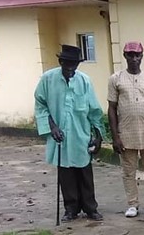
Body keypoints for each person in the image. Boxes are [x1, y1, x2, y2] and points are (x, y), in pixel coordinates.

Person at [34, 44, 105, 222]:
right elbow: (40, 105)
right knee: (65, 173)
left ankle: (90, 208)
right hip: (60, 136)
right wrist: (52, 126)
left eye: (74, 63)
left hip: (81, 134)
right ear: (60, 61)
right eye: (67, 63)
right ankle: (70, 209)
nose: (71, 67)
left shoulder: (84, 80)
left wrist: (98, 136)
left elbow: (94, 110)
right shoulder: (47, 79)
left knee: (85, 172)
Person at [107, 41, 144, 218]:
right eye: (130, 55)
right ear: (125, 56)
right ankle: (132, 204)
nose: (134, 59)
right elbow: (111, 109)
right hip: (126, 133)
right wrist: (115, 137)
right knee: (128, 171)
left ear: (142, 56)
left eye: (137, 55)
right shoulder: (115, 79)